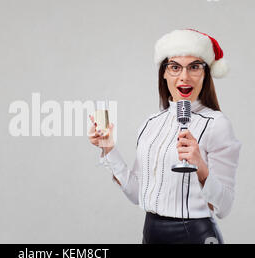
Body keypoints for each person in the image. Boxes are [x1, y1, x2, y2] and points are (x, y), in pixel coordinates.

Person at [88, 29, 241, 244]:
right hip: (152, 232)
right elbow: (136, 193)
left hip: (196, 234)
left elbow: (224, 207)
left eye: (194, 67)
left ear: (205, 73)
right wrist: (108, 149)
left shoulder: (217, 124)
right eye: (175, 67)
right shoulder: (151, 124)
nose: (184, 77)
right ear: (164, 73)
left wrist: (200, 166)